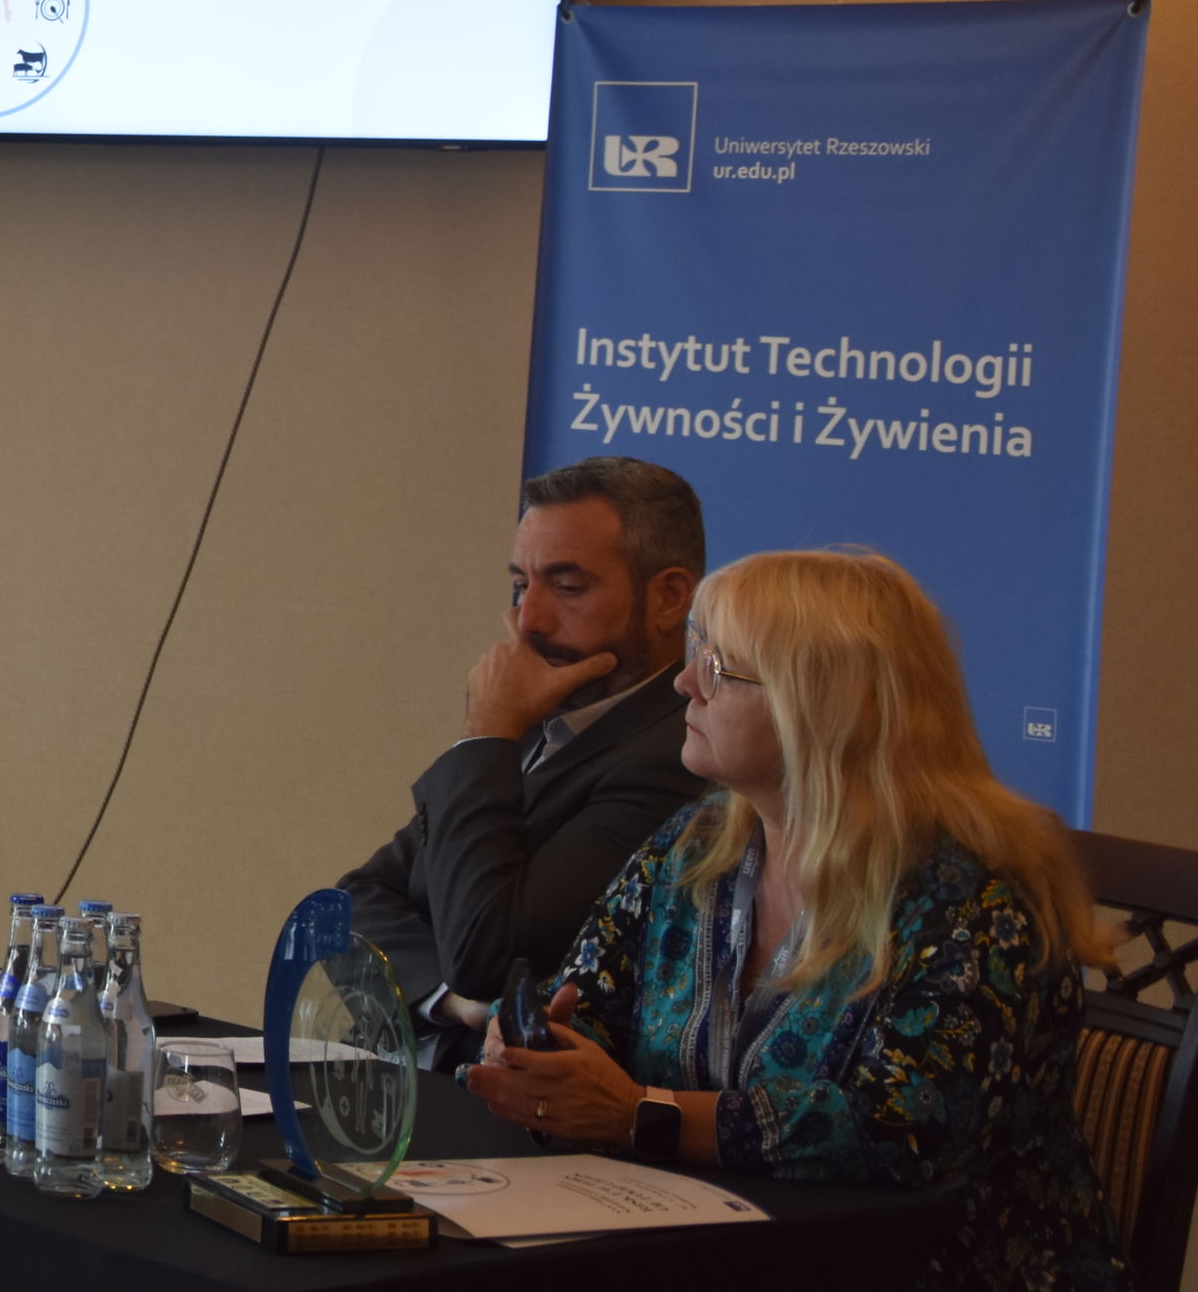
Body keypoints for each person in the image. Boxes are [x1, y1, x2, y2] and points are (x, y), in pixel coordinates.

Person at [470, 550, 1124, 1292]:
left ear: (821, 706)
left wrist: (637, 1115)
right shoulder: (696, 846)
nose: (685, 682)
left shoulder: (979, 896)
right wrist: (541, 1050)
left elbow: (900, 1131)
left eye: (718, 667)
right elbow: (586, 996)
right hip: (712, 1253)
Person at [338, 457, 708, 1067]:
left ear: (668, 597)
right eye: (520, 584)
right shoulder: (538, 720)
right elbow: (354, 901)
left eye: (568, 588)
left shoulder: (677, 758)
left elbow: (488, 956)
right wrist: (454, 1002)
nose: (527, 620)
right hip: (407, 1079)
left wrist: (487, 732)